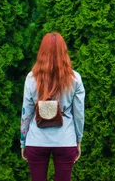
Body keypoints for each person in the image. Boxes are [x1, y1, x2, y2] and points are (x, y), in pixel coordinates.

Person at [20, 32, 85, 181]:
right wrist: (78, 140)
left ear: (42, 52)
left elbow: (26, 113)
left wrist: (23, 142)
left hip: (36, 140)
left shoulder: (31, 78)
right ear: (64, 51)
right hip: (65, 139)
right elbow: (79, 114)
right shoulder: (75, 79)